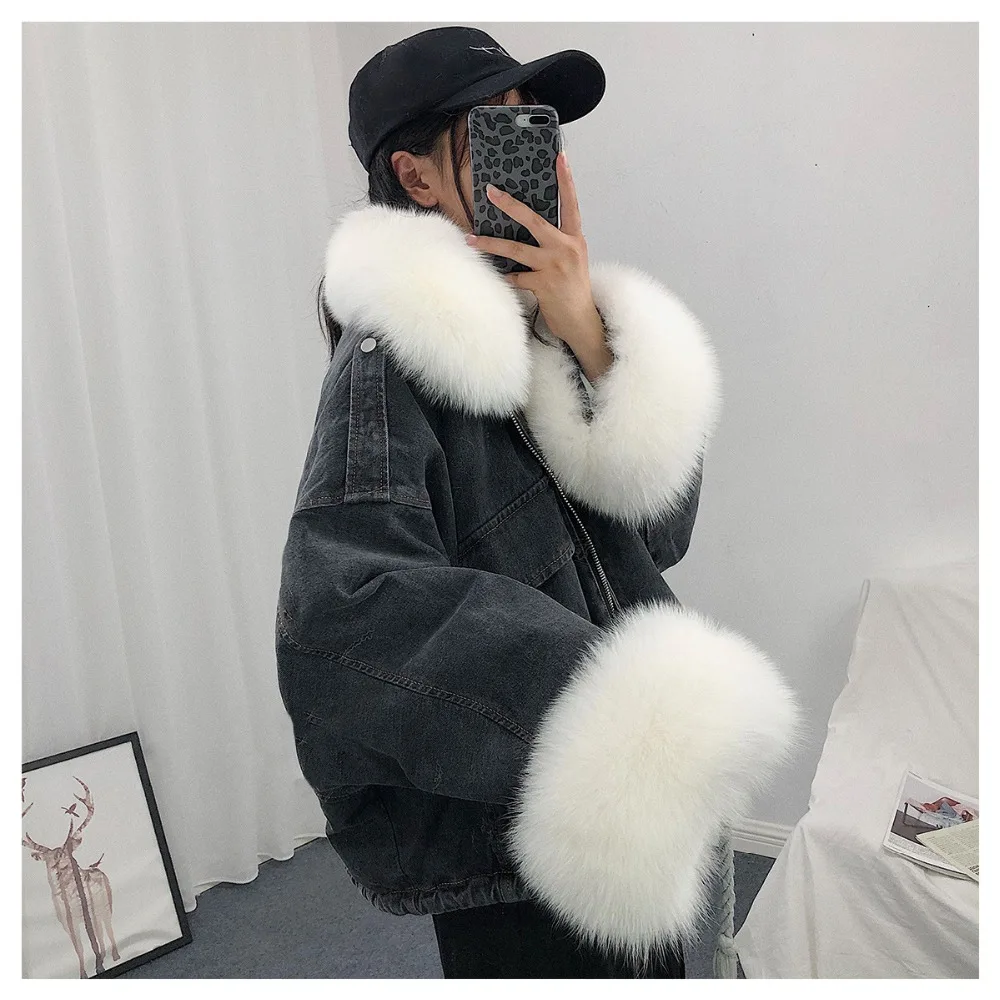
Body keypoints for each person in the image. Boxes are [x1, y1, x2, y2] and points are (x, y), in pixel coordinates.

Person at [276, 25, 800, 979]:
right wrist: (612, 709)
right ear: (417, 175)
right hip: (521, 829)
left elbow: (661, 534)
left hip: (619, 808)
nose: (539, 149)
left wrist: (590, 331)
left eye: (538, 124)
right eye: (498, 127)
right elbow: (345, 609)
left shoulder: (540, 328)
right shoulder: (388, 358)